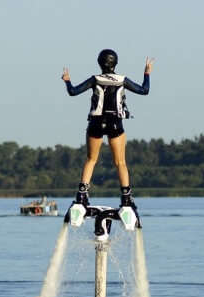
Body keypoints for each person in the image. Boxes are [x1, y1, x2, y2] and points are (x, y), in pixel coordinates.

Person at [62, 49, 154, 209]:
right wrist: (147, 74)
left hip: (96, 122)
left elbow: (73, 91)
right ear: (115, 63)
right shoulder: (122, 79)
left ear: (99, 63)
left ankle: (82, 196)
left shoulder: (95, 79)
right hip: (115, 123)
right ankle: (126, 198)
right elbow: (144, 90)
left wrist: (67, 80)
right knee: (120, 162)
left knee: (91, 160)